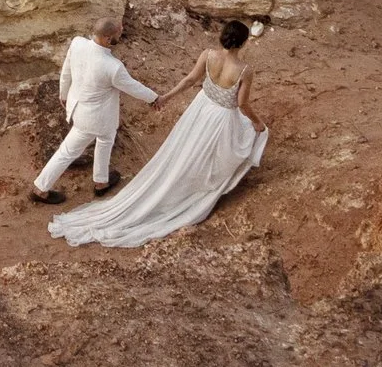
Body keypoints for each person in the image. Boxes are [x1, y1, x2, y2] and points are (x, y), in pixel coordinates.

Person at [47, 19, 269, 248]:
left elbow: (190, 79)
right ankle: (201, 185)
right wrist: (258, 122)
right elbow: (242, 104)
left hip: (200, 109)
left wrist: (165, 98)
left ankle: (111, 182)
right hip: (221, 117)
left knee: (184, 147)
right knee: (221, 149)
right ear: (242, 43)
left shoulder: (208, 55)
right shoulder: (244, 70)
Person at [29, 15, 158, 205]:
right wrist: (154, 98)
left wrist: (63, 94)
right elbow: (133, 87)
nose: (120, 36)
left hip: (77, 107)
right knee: (72, 150)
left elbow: (66, 72)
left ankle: (101, 181)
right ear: (107, 38)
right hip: (95, 119)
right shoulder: (113, 67)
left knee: (102, 141)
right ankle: (41, 189)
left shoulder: (77, 43)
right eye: (118, 34)